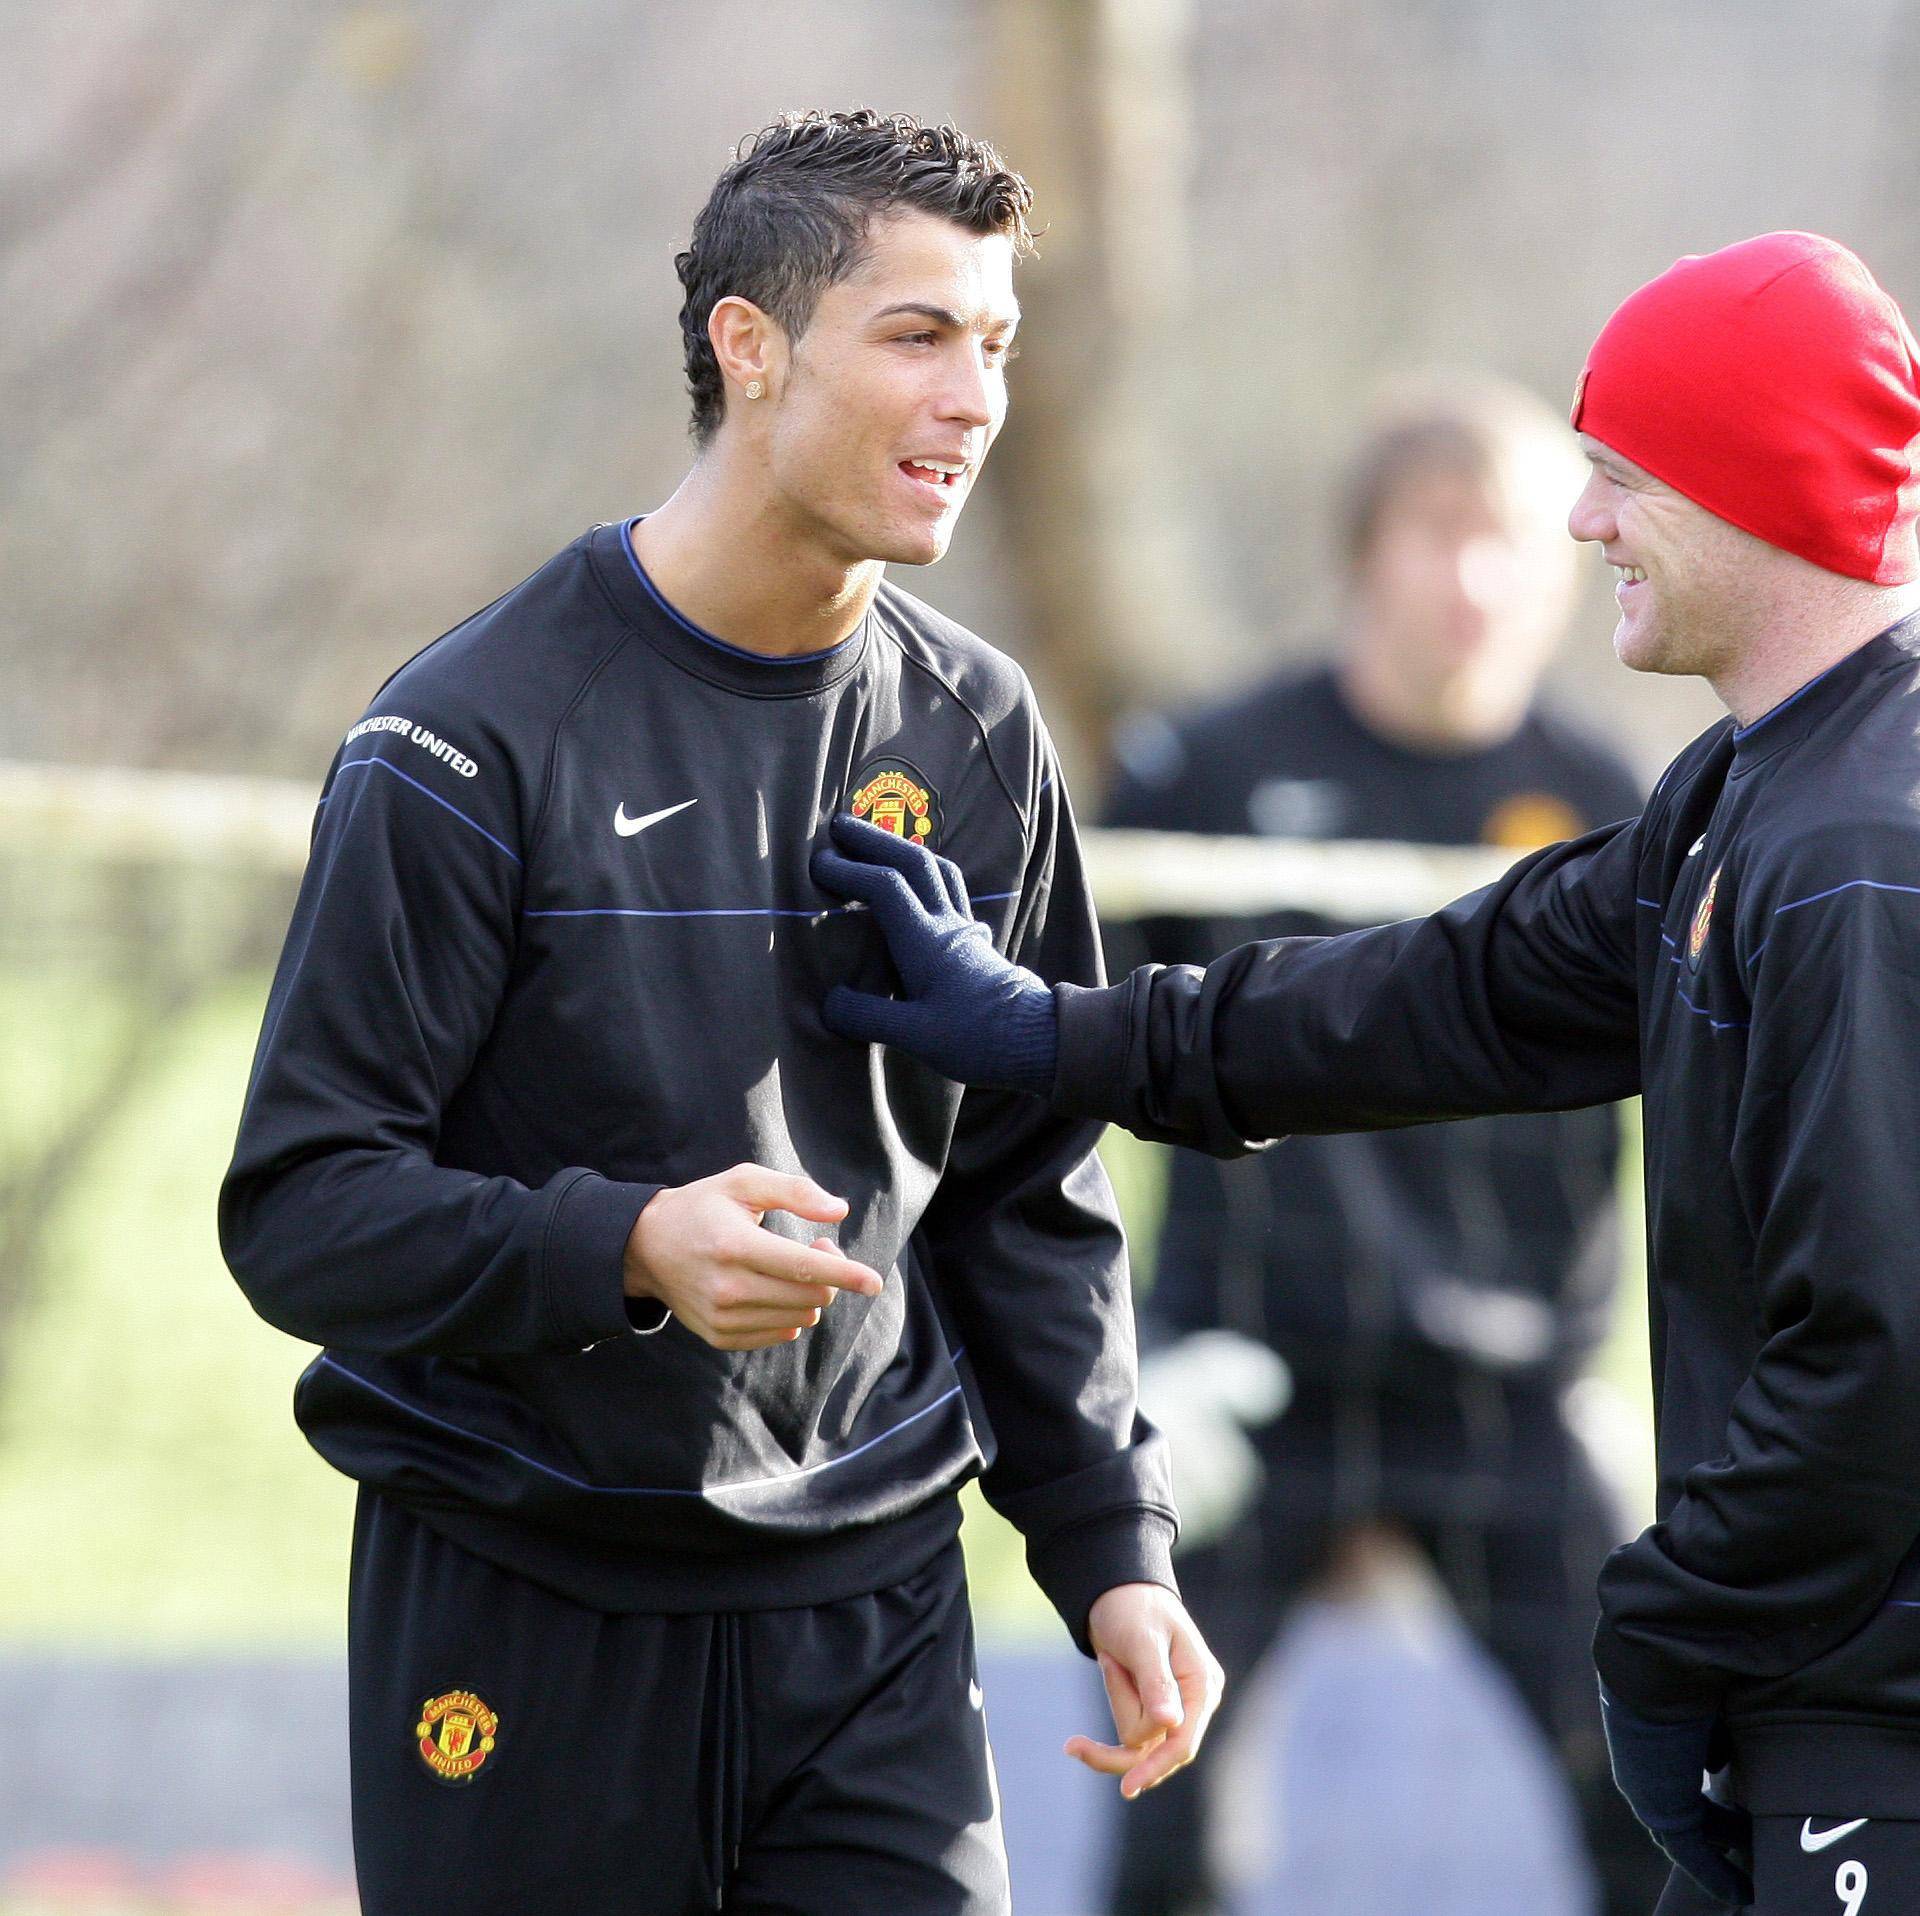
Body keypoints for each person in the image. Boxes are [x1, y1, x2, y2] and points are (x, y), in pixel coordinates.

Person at [815, 231, 1920, 1914]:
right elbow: (1435, 998)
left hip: (1876, 1714)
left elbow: (1882, 1353)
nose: (1581, 521)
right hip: (1784, 1665)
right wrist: (1050, 1030)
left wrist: (1661, 1627)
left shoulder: (1859, 850)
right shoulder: (1739, 803)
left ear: (1749, 483)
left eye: (1622, 476)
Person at [219, 109, 1219, 1916]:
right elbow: (302, 1208)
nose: (974, 400)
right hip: (528, 1595)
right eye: (916, 336)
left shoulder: (981, 735)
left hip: (877, 1613)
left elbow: (1022, 1194)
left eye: (995, 344)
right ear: (746, 349)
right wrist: (624, 1248)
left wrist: (1109, 1543)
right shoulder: (468, 740)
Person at [1097, 376, 1666, 1916]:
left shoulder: (1618, 806)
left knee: (1662, 1801)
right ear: (1366, 552)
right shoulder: (1199, 778)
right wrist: (1116, 1366)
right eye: (1437, 534)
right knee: (1164, 1817)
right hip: (1248, 1387)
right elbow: (1049, 1069)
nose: (1474, 579)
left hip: (1506, 1402)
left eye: (1510, 542)